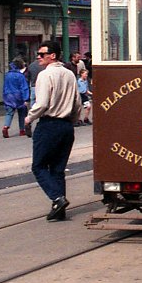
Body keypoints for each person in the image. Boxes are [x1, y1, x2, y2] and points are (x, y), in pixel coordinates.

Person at [25, 40, 81, 222]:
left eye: (42, 54)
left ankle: (57, 199)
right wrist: (72, 120)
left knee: (39, 166)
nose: (38, 57)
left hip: (49, 124)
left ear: (53, 55)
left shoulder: (45, 75)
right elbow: (77, 102)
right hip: (66, 126)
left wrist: (29, 117)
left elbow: (41, 103)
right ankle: (59, 210)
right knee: (58, 169)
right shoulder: (70, 74)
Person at [2, 57, 30, 138]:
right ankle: (22, 130)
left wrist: (4, 96)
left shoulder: (7, 75)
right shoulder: (20, 76)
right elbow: (24, 88)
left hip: (8, 96)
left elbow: (5, 86)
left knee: (9, 113)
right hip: (18, 96)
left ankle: (6, 127)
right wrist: (26, 99)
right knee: (22, 113)